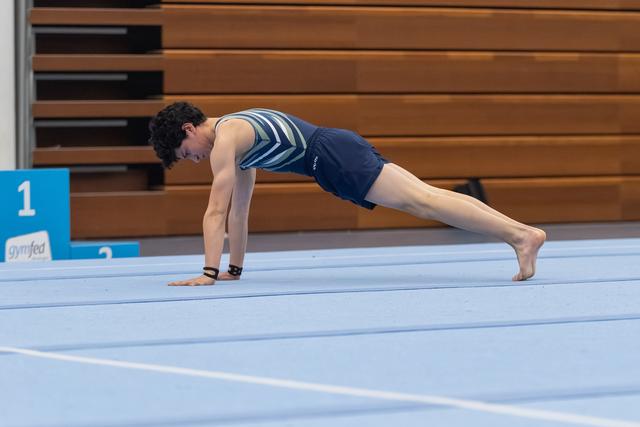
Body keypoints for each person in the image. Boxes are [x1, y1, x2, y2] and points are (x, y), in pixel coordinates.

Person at [148, 102, 546, 286]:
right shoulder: (236, 143)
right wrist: (233, 269)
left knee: (423, 201)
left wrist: (208, 274)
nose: (195, 159)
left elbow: (215, 212)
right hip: (334, 151)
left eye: (187, 154)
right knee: (425, 195)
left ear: (188, 129)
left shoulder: (226, 138)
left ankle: (521, 236)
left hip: (331, 156)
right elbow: (239, 211)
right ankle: (522, 234)